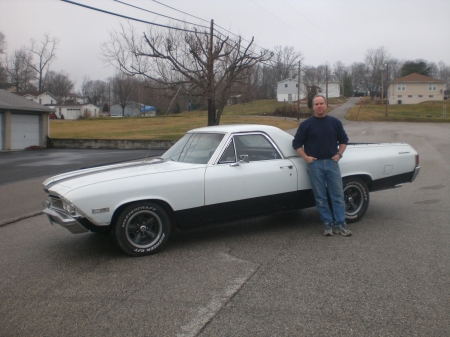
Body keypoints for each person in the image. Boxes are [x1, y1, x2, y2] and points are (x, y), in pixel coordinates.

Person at [292, 94, 352, 236]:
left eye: (321, 103)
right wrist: (306, 158)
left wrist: (339, 154)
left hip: (332, 163)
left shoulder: (335, 123)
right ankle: (327, 224)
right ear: (313, 107)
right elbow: (296, 143)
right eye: (316, 104)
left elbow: (344, 140)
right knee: (320, 197)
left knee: (337, 196)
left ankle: (340, 224)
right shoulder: (306, 125)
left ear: (326, 105)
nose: (319, 106)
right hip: (315, 165)